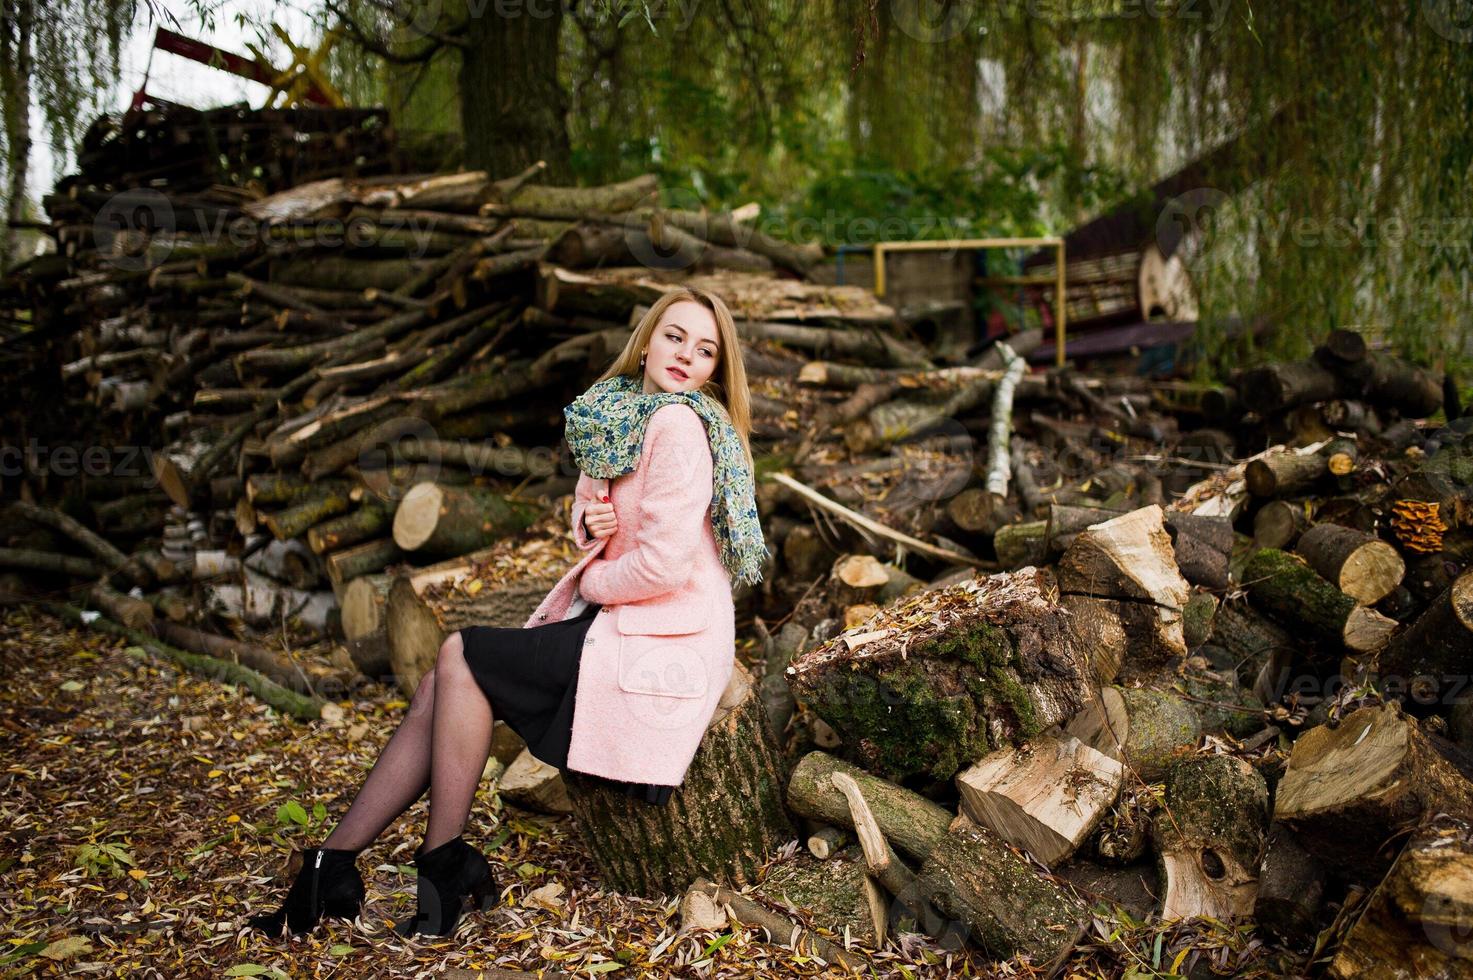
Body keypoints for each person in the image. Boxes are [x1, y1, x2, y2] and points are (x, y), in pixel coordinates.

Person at [246, 286, 768, 940]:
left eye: (704, 349)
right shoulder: (618, 415)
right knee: (443, 683)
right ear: (645, 339)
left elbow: (663, 566)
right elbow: (596, 513)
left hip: (664, 632)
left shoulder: (676, 425)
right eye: (674, 336)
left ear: (715, 369)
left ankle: (438, 868)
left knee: (461, 653)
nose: (685, 356)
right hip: (626, 615)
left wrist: (597, 576)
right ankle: (333, 865)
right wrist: (589, 523)